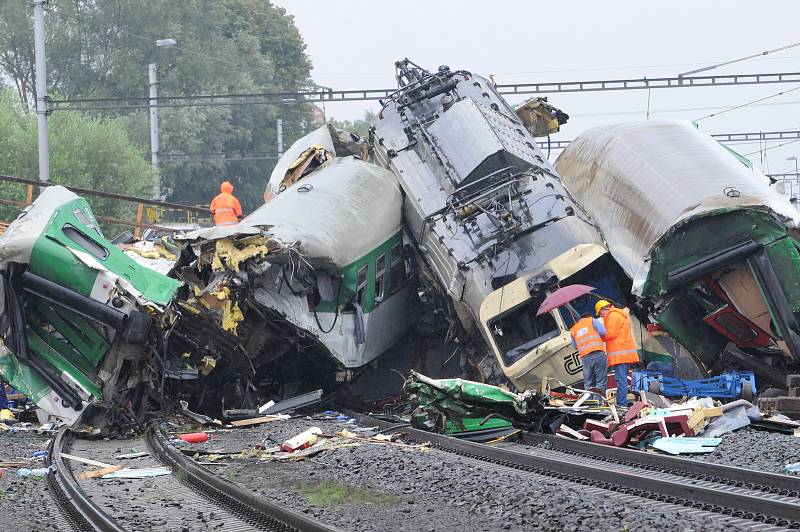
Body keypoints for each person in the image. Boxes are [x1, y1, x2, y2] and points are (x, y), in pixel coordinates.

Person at [596, 300, 640, 407]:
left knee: (621, 381)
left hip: (620, 356)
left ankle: (622, 405)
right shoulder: (617, 315)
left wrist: (599, 334)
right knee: (622, 380)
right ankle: (622, 404)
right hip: (624, 355)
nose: (600, 316)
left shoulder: (612, 316)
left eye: (599, 313)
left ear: (603, 309)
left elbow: (611, 333)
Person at [569, 311, 608, 394]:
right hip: (598, 354)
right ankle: (598, 403)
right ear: (589, 316)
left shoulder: (573, 330)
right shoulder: (592, 320)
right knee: (600, 382)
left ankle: (591, 404)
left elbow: (575, 347)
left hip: (585, 358)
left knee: (589, 384)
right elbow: (603, 332)